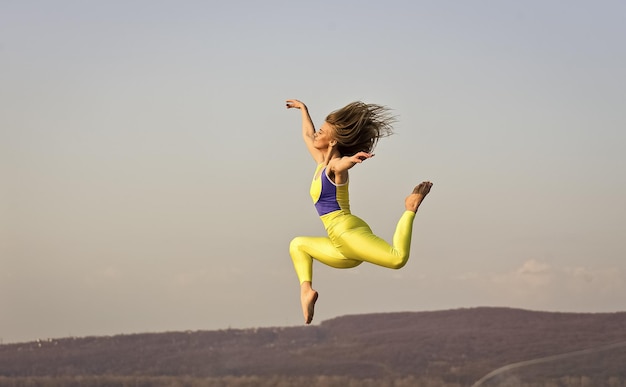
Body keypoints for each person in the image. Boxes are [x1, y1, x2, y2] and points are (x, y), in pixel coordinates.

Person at [285, 99, 433, 324]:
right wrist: (303, 110)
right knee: (297, 245)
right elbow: (307, 134)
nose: (316, 134)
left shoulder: (334, 167)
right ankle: (306, 291)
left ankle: (410, 208)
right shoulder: (320, 163)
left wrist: (352, 160)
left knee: (397, 259)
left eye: (321, 132)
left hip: (348, 233)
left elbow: (341, 165)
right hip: (343, 250)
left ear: (332, 141)